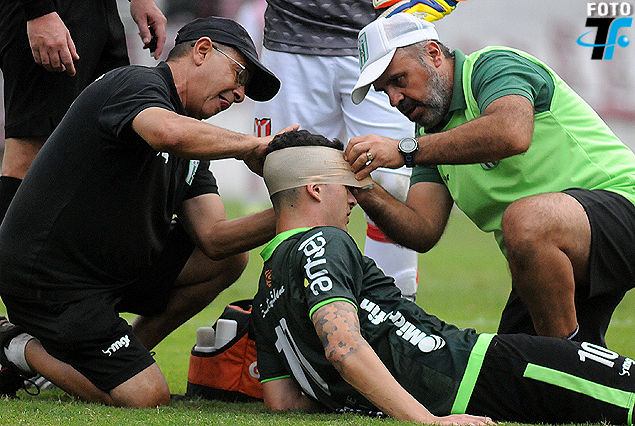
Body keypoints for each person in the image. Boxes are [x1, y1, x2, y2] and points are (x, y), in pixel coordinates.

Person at [0, 16, 291, 407]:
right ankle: (14, 344)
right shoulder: (136, 83)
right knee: (146, 397)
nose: (240, 95)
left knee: (229, 259)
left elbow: (215, 239)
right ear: (202, 50)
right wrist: (254, 145)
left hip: (105, 273)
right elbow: (165, 132)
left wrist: (295, 207)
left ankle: (115, 359)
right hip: (52, 280)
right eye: (240, 76)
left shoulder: (191, 141)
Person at [252, 129, 635, 425]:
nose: (354, 199)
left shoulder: (266, 287)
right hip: (470, 369)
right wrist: (428, 420)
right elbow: (343, 347)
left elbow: (284, 402)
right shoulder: (324, 241)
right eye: (347, 187)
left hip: (461, 382)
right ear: (316, 190)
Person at [344, 13, 635, 346]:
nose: (395, 98)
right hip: (548, 252)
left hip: (623, 205)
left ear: (434, 54)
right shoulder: (429, 135)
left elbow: (511, 133)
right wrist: (365, 190)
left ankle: (568, 364)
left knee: (526, 221)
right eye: (384, 91)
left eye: (399, 79)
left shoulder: (492, 66)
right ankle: (578, 367)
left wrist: (404, 150)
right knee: (513, 370)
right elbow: (422, 229)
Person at [252, 0, 464, 301]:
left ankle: (393, 306)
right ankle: (301, 306)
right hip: (291, 33)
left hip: (382, 38)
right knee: (295, 182)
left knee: (393, 184)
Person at [0, 0, 168, 221]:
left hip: (101, 12)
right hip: (50, 11)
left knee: (104, 151)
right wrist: (39, 11)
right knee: (32, 154)